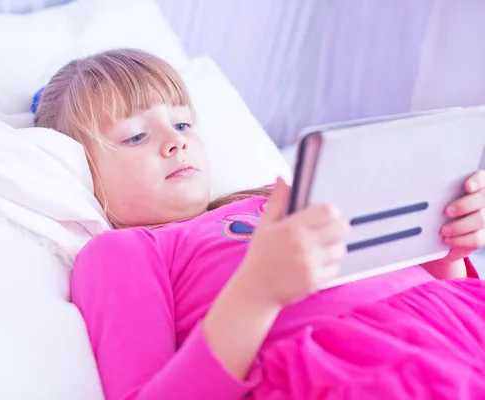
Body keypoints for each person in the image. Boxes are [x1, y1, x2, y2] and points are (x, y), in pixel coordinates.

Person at [34, 48, 485, 399]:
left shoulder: (280, 198)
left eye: (184, 124)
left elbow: (408, 289)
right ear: (81, 168)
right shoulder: (128, 250)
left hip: (458, 328)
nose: (175, 143)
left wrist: (447, 247)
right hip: (362, 372)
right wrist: (255, 293)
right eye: (136, 135)